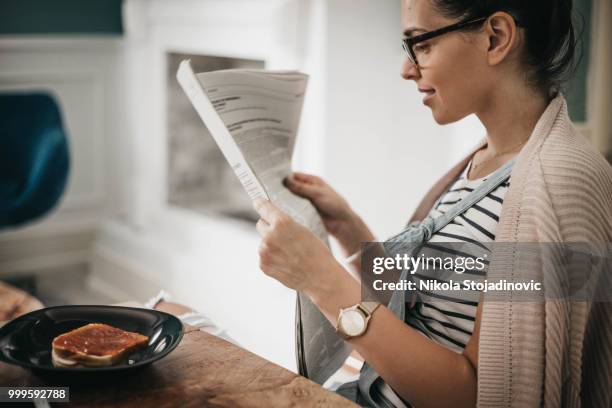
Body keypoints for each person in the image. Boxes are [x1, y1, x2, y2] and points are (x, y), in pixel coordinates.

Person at [253, 0, 612, 407]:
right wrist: (348, 229)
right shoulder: (488, 160)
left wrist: (320, 280)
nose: (407, 69)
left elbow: (476, 396)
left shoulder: (558, 184)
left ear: (495, 38)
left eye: (420, 44)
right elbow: (432, 303)